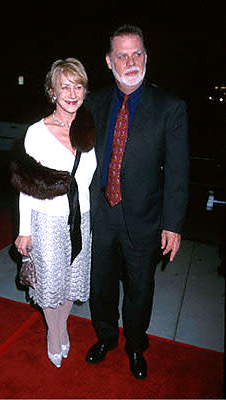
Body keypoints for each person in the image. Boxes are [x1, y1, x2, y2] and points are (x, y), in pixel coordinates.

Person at [85, 25, 189, 379]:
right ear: (109, 61)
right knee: (100, 285)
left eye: (137, 53)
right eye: (122, 55)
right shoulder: (93, 102)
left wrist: (173, 224)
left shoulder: (170, 107)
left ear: (146, 55)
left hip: (145, 218)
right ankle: (106, 337)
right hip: (99, 213)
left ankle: (135, 346)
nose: (131, 61)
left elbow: (178, 171)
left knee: (140, 289)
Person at [11, 58, 96, 368]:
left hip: (81, 218)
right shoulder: (37, 132)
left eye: (78, 86)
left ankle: (63, 326)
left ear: (85, 91)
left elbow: (87, 181)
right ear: (52, 92)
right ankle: (54, 332)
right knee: (50, 282)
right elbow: (26, 185)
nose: (71, 93)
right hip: (46, 220)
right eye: (64, 86)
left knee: (72, 280)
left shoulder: (88, 127)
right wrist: (24, 230)